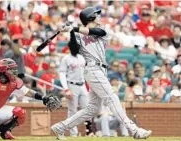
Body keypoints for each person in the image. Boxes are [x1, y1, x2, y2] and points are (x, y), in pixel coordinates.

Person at [51, 7, 151, 140]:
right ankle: (134, 130)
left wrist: (73, 28)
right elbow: (74, 50)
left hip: (100, 70)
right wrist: (70, 33)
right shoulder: (78, 34)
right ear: (90, 18)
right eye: (96, 15)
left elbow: (97, 31)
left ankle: (60, 127)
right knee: (112, 98)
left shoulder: (101, 29)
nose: (99, 16)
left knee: (93, 109)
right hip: (92, 69)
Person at [0, 58, 61, 140]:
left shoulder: (14, 83)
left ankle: (2, 130)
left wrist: (43, 98)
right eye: (11, 69)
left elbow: (28, 92)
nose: (15, 71)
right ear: (3, 70)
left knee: (20, 112)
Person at [58, 37, 89, 136]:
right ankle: (73, 134)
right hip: (72, 85)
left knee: (87, 108)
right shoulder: (66, 58)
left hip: (82, 85)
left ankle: (89, 131)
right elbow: (62, 74)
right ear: (70, 47)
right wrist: (66, 89)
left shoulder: (82, 57)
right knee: (72, 111)